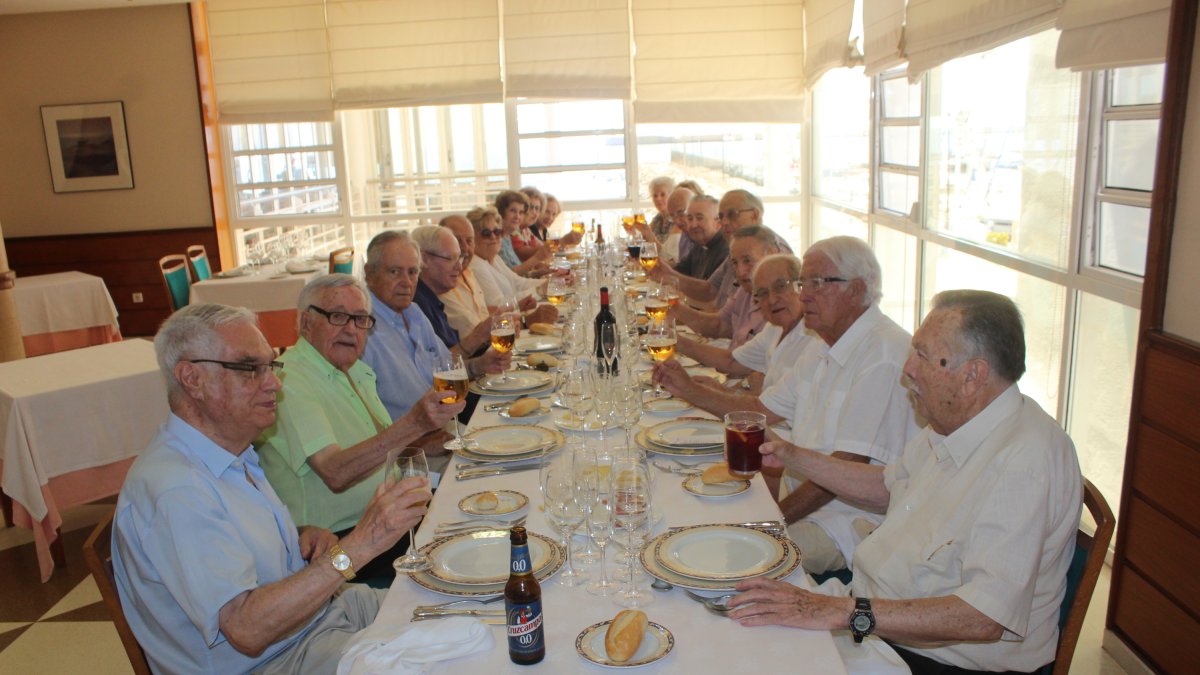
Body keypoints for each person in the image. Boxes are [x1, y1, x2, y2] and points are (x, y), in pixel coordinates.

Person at [729, 290, 1084, 675]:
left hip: (940, 659)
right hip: (877, 618)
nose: (908, 368)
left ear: (972, 376)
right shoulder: (953, 425)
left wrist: (841, 612)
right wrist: (794, 455)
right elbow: (886, 485)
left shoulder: (1026, 461)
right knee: (734, 617)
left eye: (924, 356)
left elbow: (983, 616)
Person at [112, 303, 433, 673]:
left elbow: (224, 546)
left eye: (270, 366)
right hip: (278, 660)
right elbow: (246, 630)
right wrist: (361, 543)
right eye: (250, 369)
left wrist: (295, 536)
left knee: (461, 606)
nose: (274, 384)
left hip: (322, 617)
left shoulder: (229, 452)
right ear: (191, 378)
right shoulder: (176, 489)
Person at [654, 236, 918, 573]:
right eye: (802, 282)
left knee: (728, 559)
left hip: (847, 524)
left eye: (817, 283)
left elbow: (840, 473)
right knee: (689, 513)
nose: (804, 293)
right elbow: (761, 410)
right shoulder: (821, 342)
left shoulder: (882, 357)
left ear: (856, 290)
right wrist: (688, 389)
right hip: (802, 501)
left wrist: (770, 522)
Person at [256, 274, 463, 580]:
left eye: (361, 319)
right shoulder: (289, 381)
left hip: (390, 519)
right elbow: (336, 473)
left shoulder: (356, 370)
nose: (351, 329)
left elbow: (374, 451)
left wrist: (419, 443)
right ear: (305, 323)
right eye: (338, 317)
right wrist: (414, 424)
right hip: (342, 546)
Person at [360, 229, 508, 423]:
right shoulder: (361, 328)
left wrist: (480, 365)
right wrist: (420, 441)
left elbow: (446, 369)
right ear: (370, 274)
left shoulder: (414, 312)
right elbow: (364, 418)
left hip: (446, 423)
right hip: (414, 446)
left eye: (412, 272)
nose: (406, 282)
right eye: (394, 271)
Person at [675, 254, 811, 395]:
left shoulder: (816, 337)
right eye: (763, 293)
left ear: (801, 286)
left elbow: (777, 406)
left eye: (780, 287)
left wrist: (711, 392)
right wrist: (673, 341)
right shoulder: (774, 328)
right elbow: (732, 362)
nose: (771, 300)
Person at [672, 224, 777, 353]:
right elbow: (720, 325)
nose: (740, 271)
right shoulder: (745, 290)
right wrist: (672, 308)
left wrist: (678, 343)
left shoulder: (781, 304)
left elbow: (744, 367)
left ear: (772, 253)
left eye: (747, 260)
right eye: (735, 263)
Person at [466, 206, 559, 325]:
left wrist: (551, 282)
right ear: (472, 238)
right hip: (505, 327)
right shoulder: (475, 264)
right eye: (486, 233)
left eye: (497, 232)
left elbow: (518, 282)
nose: (493, 237)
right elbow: (499, 305)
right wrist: (539, 290)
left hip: (515, 320)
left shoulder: (494, 258)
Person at [437, 215, 491, 339]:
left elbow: (484, 317)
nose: (465, 248)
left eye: (469, 240)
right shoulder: (442, 282)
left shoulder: (468, 272)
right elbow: (473, 330)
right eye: (457, 241)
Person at [494, 190, 550, 277]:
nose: (517, 216)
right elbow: (508, 278)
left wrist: (539, 273)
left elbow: (517, 276)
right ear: (501, 212)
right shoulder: (494, 240)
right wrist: (537, 258)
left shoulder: (507, 237)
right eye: (513, 211)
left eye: (521, 212)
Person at [513, 186, 544, 262]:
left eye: (537, 208)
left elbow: (541, 245)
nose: (534, 213)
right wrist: (560, 242)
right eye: (531, 207)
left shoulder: (526, 230)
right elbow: (525, 253)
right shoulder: (513, 229)